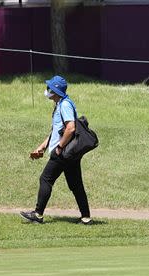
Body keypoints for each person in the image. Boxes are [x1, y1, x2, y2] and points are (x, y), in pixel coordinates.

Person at [21, 75, 91, 225]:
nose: (47, 90)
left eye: (49, 88)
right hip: (68, 152)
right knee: (76, 184)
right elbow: (57, 130)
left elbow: (70, 128)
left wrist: (59, 148)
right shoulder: (61, 104)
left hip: (63, 152)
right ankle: (86, 218)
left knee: (45, 179)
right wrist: (42, 146)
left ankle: (38, 215)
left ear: (55, 91)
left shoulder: (64, 105)